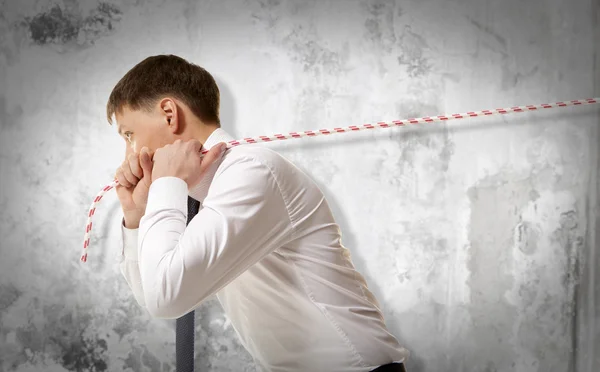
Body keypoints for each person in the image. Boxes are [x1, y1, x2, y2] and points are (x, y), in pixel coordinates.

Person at [109, 54, 409, 372]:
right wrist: (137, 214)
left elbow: (167, 297)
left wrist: (168, 182)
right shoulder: (193, 193)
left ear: (170, 115)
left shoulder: (250, 170)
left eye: (129, 135)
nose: (129, 153)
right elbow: (155, 296)